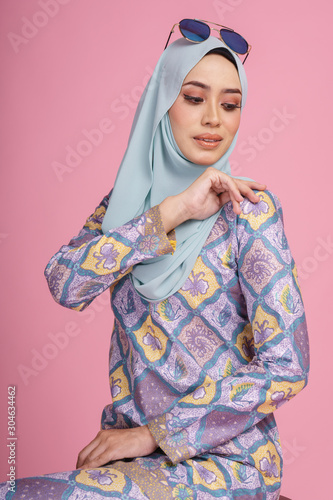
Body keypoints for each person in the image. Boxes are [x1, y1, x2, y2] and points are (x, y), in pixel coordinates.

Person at [0, 21, 309, 500]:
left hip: (226, 462)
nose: (213, 119)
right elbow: (64, 283)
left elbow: (286, 365)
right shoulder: (126, 207)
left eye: (230, 105)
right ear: (161, 102)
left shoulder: (249, 213)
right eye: (193, 98)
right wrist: (174, 211)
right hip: (137, 459)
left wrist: (155, 434)